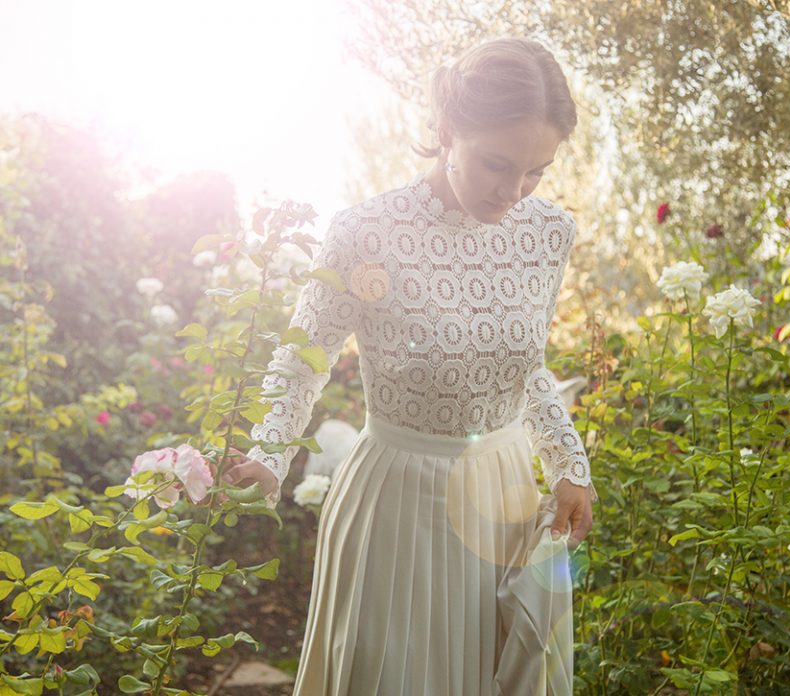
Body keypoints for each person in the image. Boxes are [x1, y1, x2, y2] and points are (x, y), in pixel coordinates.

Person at [224, 36, 599, 696]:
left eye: (537, 170)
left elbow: (523, 362)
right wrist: (269, 452)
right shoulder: (365, 233)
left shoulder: (548, 233)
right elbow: (303, 358)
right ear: (448, 129)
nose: (515, 190)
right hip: (396, 505)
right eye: (497, 164)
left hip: (505, 500)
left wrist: (569, 465)